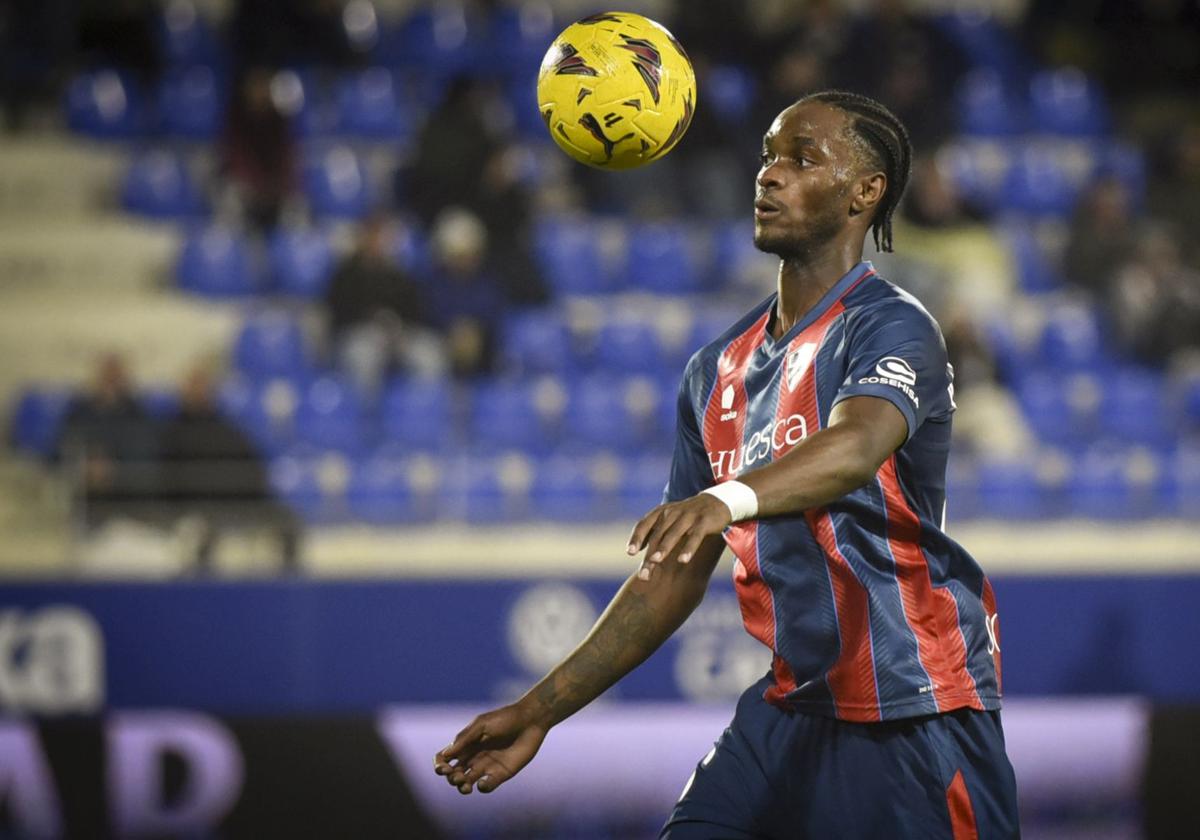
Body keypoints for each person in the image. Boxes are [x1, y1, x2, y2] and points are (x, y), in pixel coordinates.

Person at [434, 91, 1019, 838]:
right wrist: (539, 708)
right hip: (787, 710)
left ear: (865, 193)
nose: (770, 175)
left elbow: (857, 444)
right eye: (769, 154)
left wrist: (728, 499)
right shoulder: (714, 372)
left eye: (803, 158)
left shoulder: (892, 325)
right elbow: (672, 573)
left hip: (913, 705)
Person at [159, 363, 299, 572]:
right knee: (201, 532)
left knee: (288, 520)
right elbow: (169, 478)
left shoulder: (228, 429)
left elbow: (255, 469)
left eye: (204, 386)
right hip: (196, 507)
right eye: (194, 385)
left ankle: (285, 585)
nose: (199, 391)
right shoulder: (170, 433)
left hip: (239, 502)